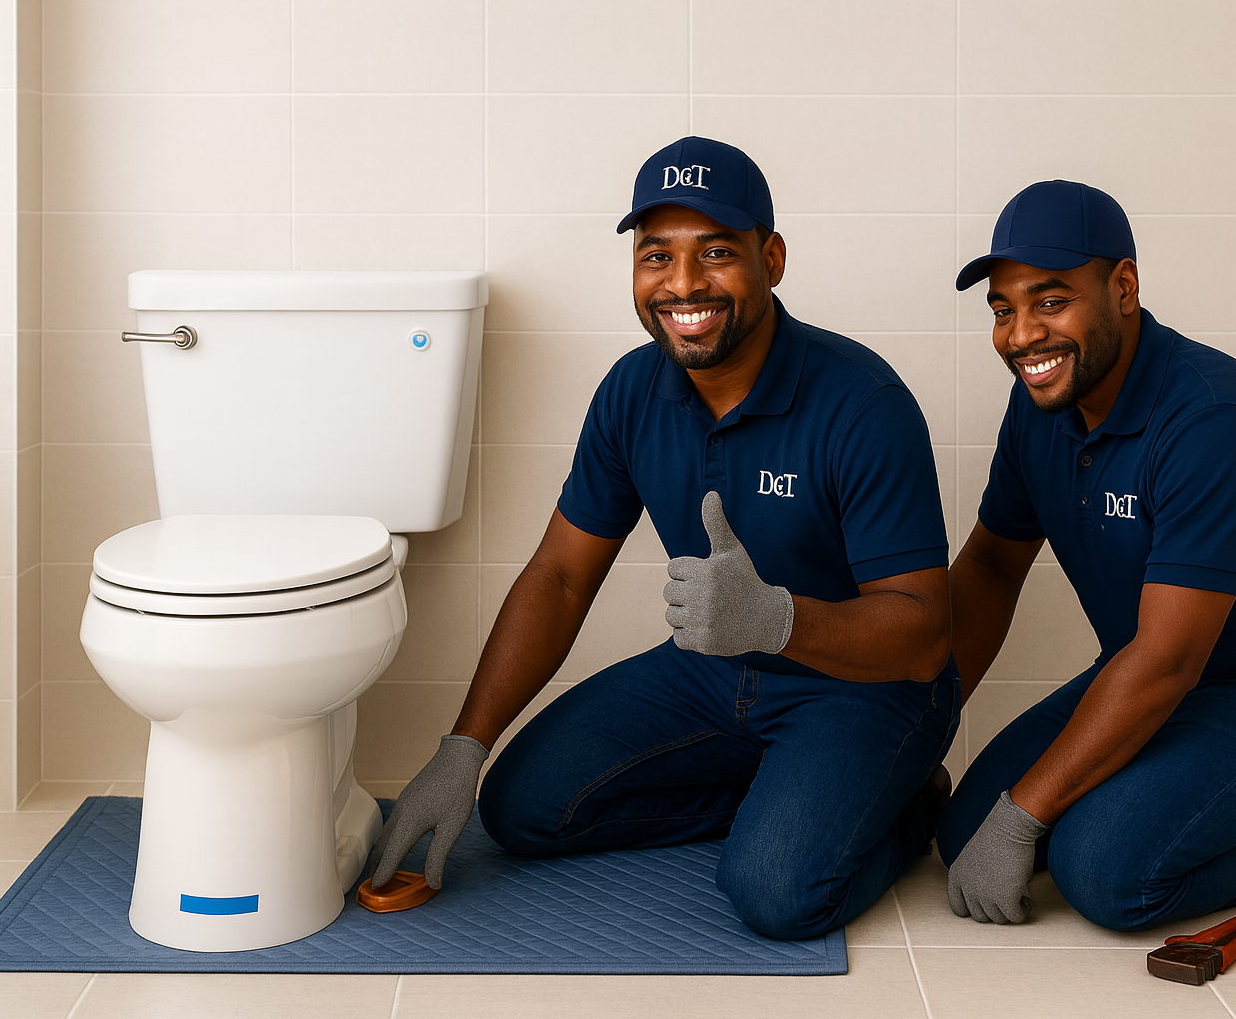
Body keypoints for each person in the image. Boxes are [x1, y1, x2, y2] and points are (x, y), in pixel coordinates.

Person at [368, 137, 960, 940]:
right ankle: (781, 794)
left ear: (772, 258)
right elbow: (560, 577)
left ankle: (907, 804)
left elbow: (924, 635)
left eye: (716, 252)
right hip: (714, 675)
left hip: (861, 685)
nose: (683, 284)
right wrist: (465, 744)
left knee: (776, 895)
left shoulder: (863, 403)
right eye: (657, 256)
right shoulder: (631, 392)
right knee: (522, 809)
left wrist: (778, 620)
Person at [938, 180, 1236, 932]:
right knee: (960, 833)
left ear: (1124, 287)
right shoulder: (1040, 405)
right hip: (1146, 671)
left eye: (1050, 301)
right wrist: (918, 725)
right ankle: (1167, 792)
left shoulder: (1213, 417)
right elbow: (988, 570)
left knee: (1103, 872)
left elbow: (1171, 659)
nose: (1021, 336)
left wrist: (1023, 821)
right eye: (1003, 310)